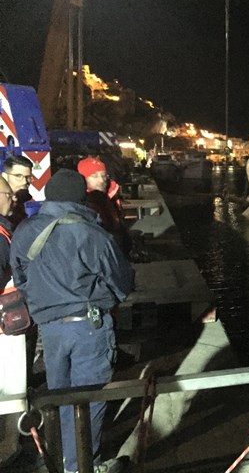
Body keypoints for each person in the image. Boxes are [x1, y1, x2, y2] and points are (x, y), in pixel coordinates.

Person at [10, 169, 134, 473]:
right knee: (88, 400)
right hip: (88, 327)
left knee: (61, 396)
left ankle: (64, 459)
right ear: (81, 198)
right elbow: (121, 281)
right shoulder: (92, 233)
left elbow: (20, 278)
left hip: (50, 330)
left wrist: (43, 302)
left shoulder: (25, 231)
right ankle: (83, 466)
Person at [0, 178, 26, 468]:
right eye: (9, 194)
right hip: (6, 322)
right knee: (11, 383)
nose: (14, 199)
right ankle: (10, 444)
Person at [77, 157, 131, 256]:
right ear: (83, 179)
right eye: (94, 176)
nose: (101, 180)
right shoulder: (83, 205)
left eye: (103, 175)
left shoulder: (109, 197)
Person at [1, 155, 34, 228]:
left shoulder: (21, 199)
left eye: (28, 177)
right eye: (18, 176)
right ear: (5, 176)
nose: (24, 182)